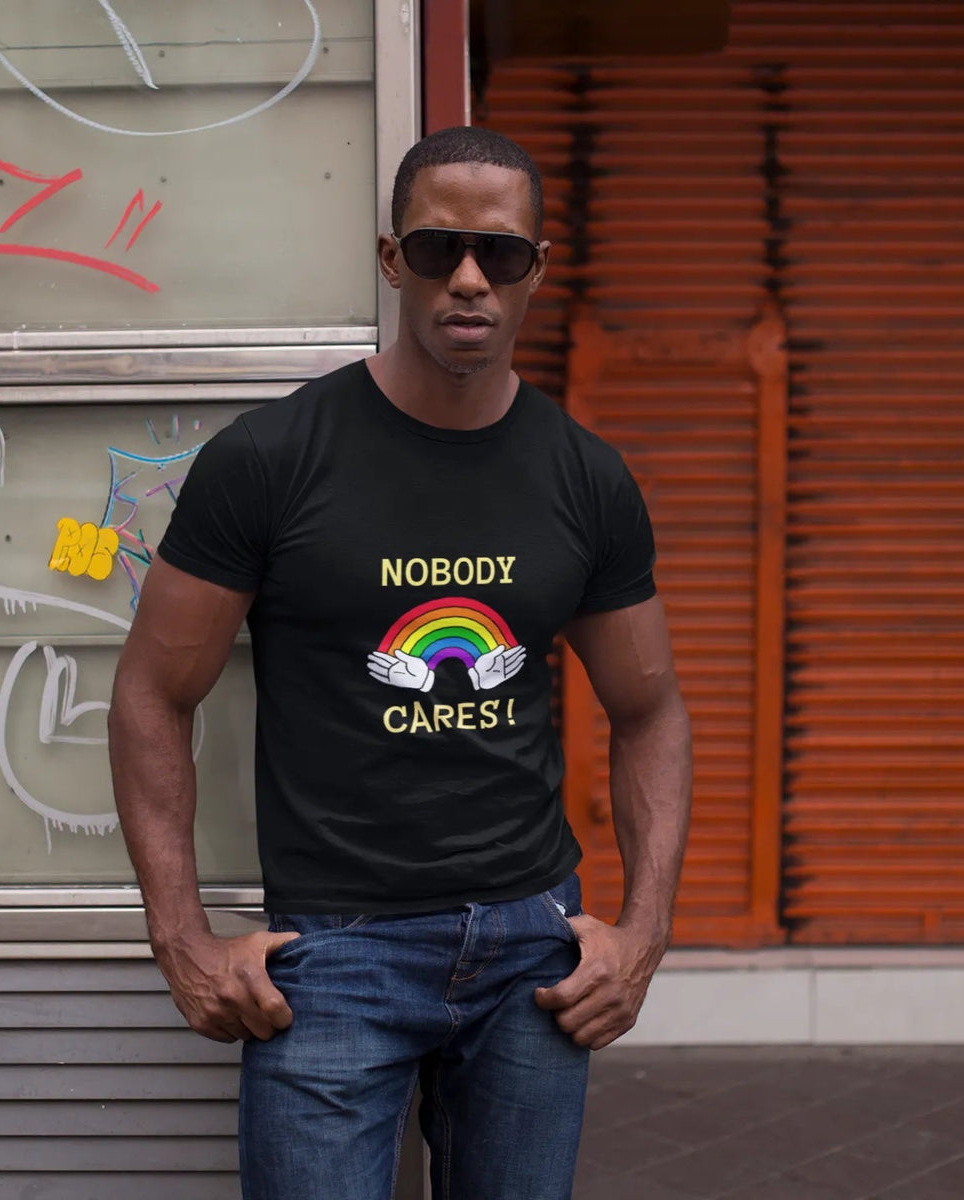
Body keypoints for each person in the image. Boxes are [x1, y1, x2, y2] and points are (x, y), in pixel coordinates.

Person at [108, 125, 692, 1200]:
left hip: (532, 946)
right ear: (392, 259)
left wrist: (644, 935)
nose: (468, 279)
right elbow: (152, 691)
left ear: (536, 269)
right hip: (333, 952)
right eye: (437, 249)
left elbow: (649, 711)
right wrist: (181, 939)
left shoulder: (585, 477)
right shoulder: (271, 460)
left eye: (499, 253)